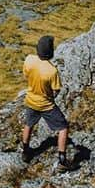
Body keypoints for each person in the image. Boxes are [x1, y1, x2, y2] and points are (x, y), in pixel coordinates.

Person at [21, 35, 72, 171]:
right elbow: (56, 90)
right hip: (46, 104)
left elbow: (25, 75)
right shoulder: (52, 71)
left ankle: (25, 151)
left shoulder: (29, 60)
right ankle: (62, 159)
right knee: (63, 128)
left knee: (28, 124)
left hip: (31, 100)